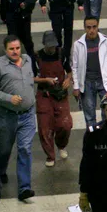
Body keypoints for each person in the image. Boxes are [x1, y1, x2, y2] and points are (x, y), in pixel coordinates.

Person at [0, 35, 37, 201]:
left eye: (17, 48)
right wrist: (10, 98)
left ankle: (24, 188)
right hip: (7, 116)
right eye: (11, 49)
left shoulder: (28, 60)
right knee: (5, 148)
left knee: (25, 148)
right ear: (5, 49)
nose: (15, 52)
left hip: (28, 114)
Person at [70, 16, 107, 126]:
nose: (91, 30)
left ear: (98, 26)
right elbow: (74, 66)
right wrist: (76, 87)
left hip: (105, 82)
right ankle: (93, 140)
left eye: (94, 27)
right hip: (87, 83)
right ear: (84, 28)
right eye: (88, 27)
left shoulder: (106, 41)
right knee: (89, 116)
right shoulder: (78, 44)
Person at [34, 30, 73, 167]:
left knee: (65, 124)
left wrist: (68, 79)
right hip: (44, 94)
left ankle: (61, 145)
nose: (52, 48)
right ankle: (50, 155)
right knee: (45, 127)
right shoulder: (37, 57)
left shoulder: (61, 54)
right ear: (44, 44)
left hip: (60, 94)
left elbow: (69, 71)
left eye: (53, 46)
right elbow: (33, 78)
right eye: (49, 46)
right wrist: (45, 80)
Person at [3, 0, 39, 75]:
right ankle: (13, 69)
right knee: (12, 41)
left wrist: (26, 3)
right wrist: (3, 15)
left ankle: (33, 67)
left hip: (23, 15)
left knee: (27, 42)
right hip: (11, 14)